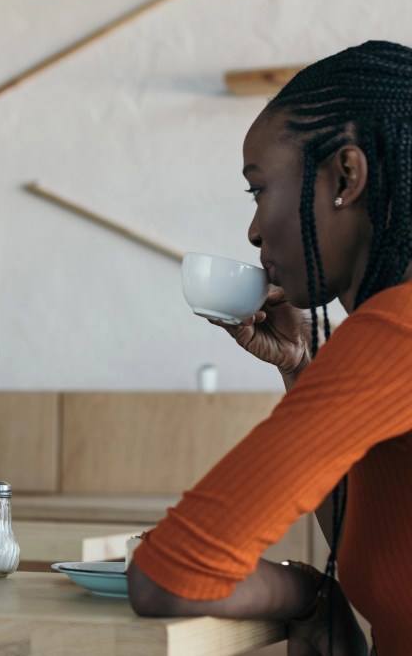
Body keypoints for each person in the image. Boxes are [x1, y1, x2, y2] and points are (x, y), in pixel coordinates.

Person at [127, 40, 412, 655]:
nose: (253, 229)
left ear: (346, 176)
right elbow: (383, 544)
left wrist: (306, 594)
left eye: (258, 190)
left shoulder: (399, 327)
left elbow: (169, 574)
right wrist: (305, 369)